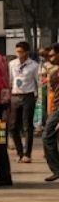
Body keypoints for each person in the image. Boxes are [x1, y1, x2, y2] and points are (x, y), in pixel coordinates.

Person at [9, 41, 39, 164]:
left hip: (28, 95)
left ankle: (27, 154)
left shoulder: (34, 65)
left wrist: (37, 97)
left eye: (21, 52)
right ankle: (19, 152)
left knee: (27, 126)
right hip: (15, 96)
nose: (18, 54)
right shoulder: (12, 64)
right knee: (13, 126)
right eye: (17, 52)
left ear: (26, 52)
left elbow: (38, 82)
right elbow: (10, 80)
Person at [40, 44, 59, 183]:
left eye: (52, 55)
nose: (50, 58)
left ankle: (57, 169)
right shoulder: (54, 71)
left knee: (47, 136)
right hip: (54, 107)